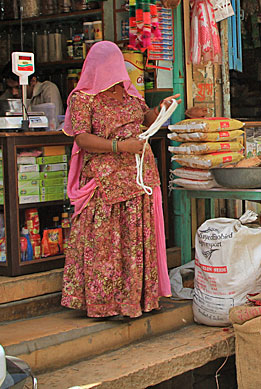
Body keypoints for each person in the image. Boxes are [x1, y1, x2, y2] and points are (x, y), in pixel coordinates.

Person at [60, 41, 203, 318]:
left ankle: (135, 300)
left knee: (134, 240)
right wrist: (120, 147)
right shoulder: (83, 98)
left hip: (138, 180)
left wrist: (160, 110)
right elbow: (81, 138)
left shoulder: (130, 94)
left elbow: (145, 120)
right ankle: (105, 303)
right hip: (106, 183)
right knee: (106, 243)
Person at [0, 66, 64, 117]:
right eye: (10, 88)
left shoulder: (48, 89)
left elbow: (53, 120)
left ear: (33, 81)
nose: (14, 92)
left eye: (18, 87)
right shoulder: (9, 93)